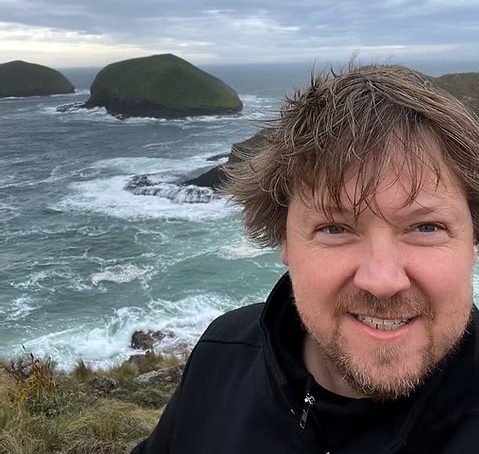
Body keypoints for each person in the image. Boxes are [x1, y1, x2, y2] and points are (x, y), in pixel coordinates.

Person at [131, 63, 479, 454]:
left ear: (473, 240)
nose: (383, 280)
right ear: (284, 238)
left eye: (426, 227)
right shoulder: (222, 355)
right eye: (334, 228)